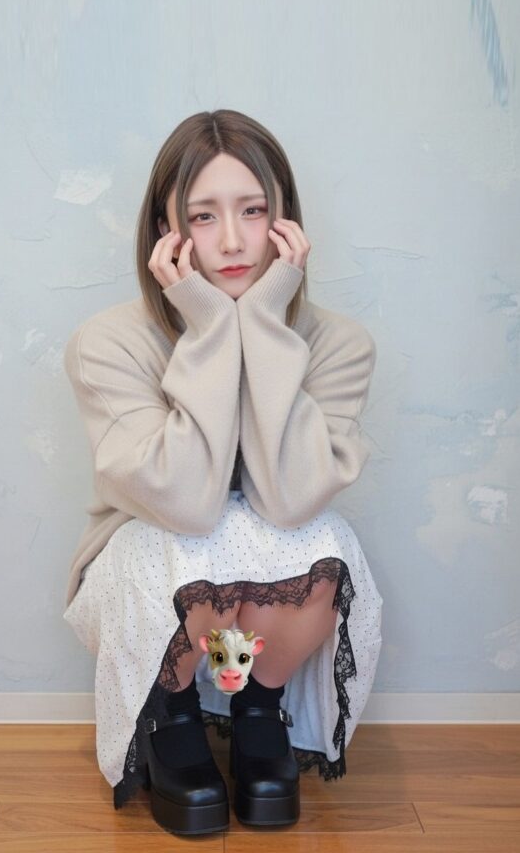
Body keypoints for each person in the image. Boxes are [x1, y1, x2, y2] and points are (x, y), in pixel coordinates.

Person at [62, 109, 383, 836]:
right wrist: (209, 328)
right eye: (203, 216)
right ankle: (169, 712)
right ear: (166, 232)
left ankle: (259, 708)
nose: (233, 241)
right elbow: (186, 504)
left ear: (287, 223)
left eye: (254, 210)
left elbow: (289, 500)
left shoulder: (340, 345)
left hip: (267, 583)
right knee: (180, 536)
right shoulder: (108, 343)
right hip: (149, 565)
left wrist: (261, 324)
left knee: (323, 537)